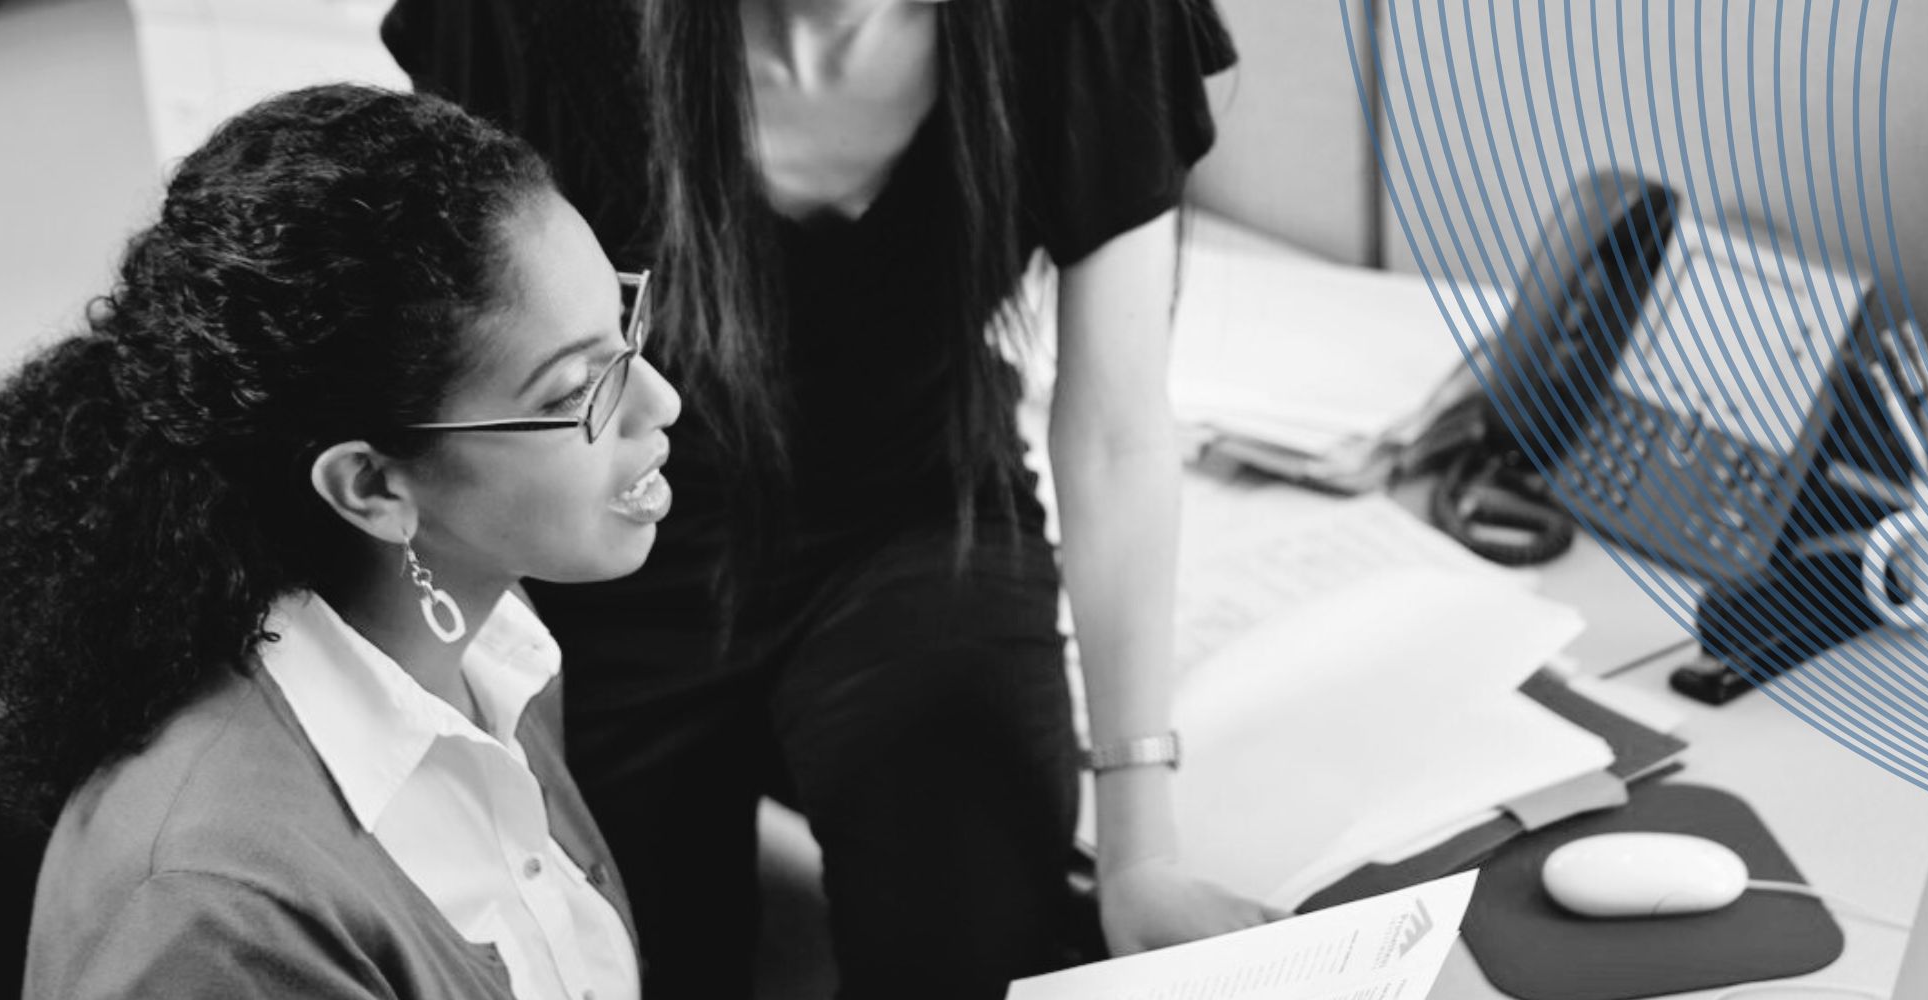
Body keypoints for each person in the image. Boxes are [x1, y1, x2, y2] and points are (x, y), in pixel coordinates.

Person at [374, 1, 1272, 995]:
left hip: (918, 519)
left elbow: (1116, 429)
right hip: (605, 534)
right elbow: (461, 377)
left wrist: (1142, 852)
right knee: (617, 958)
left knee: (969, 937)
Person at [0, 83, 680, 998]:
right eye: (575, 392)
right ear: (371, 486)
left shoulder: (488, 639)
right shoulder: (219, 921)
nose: (659, 401)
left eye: (623, 329)